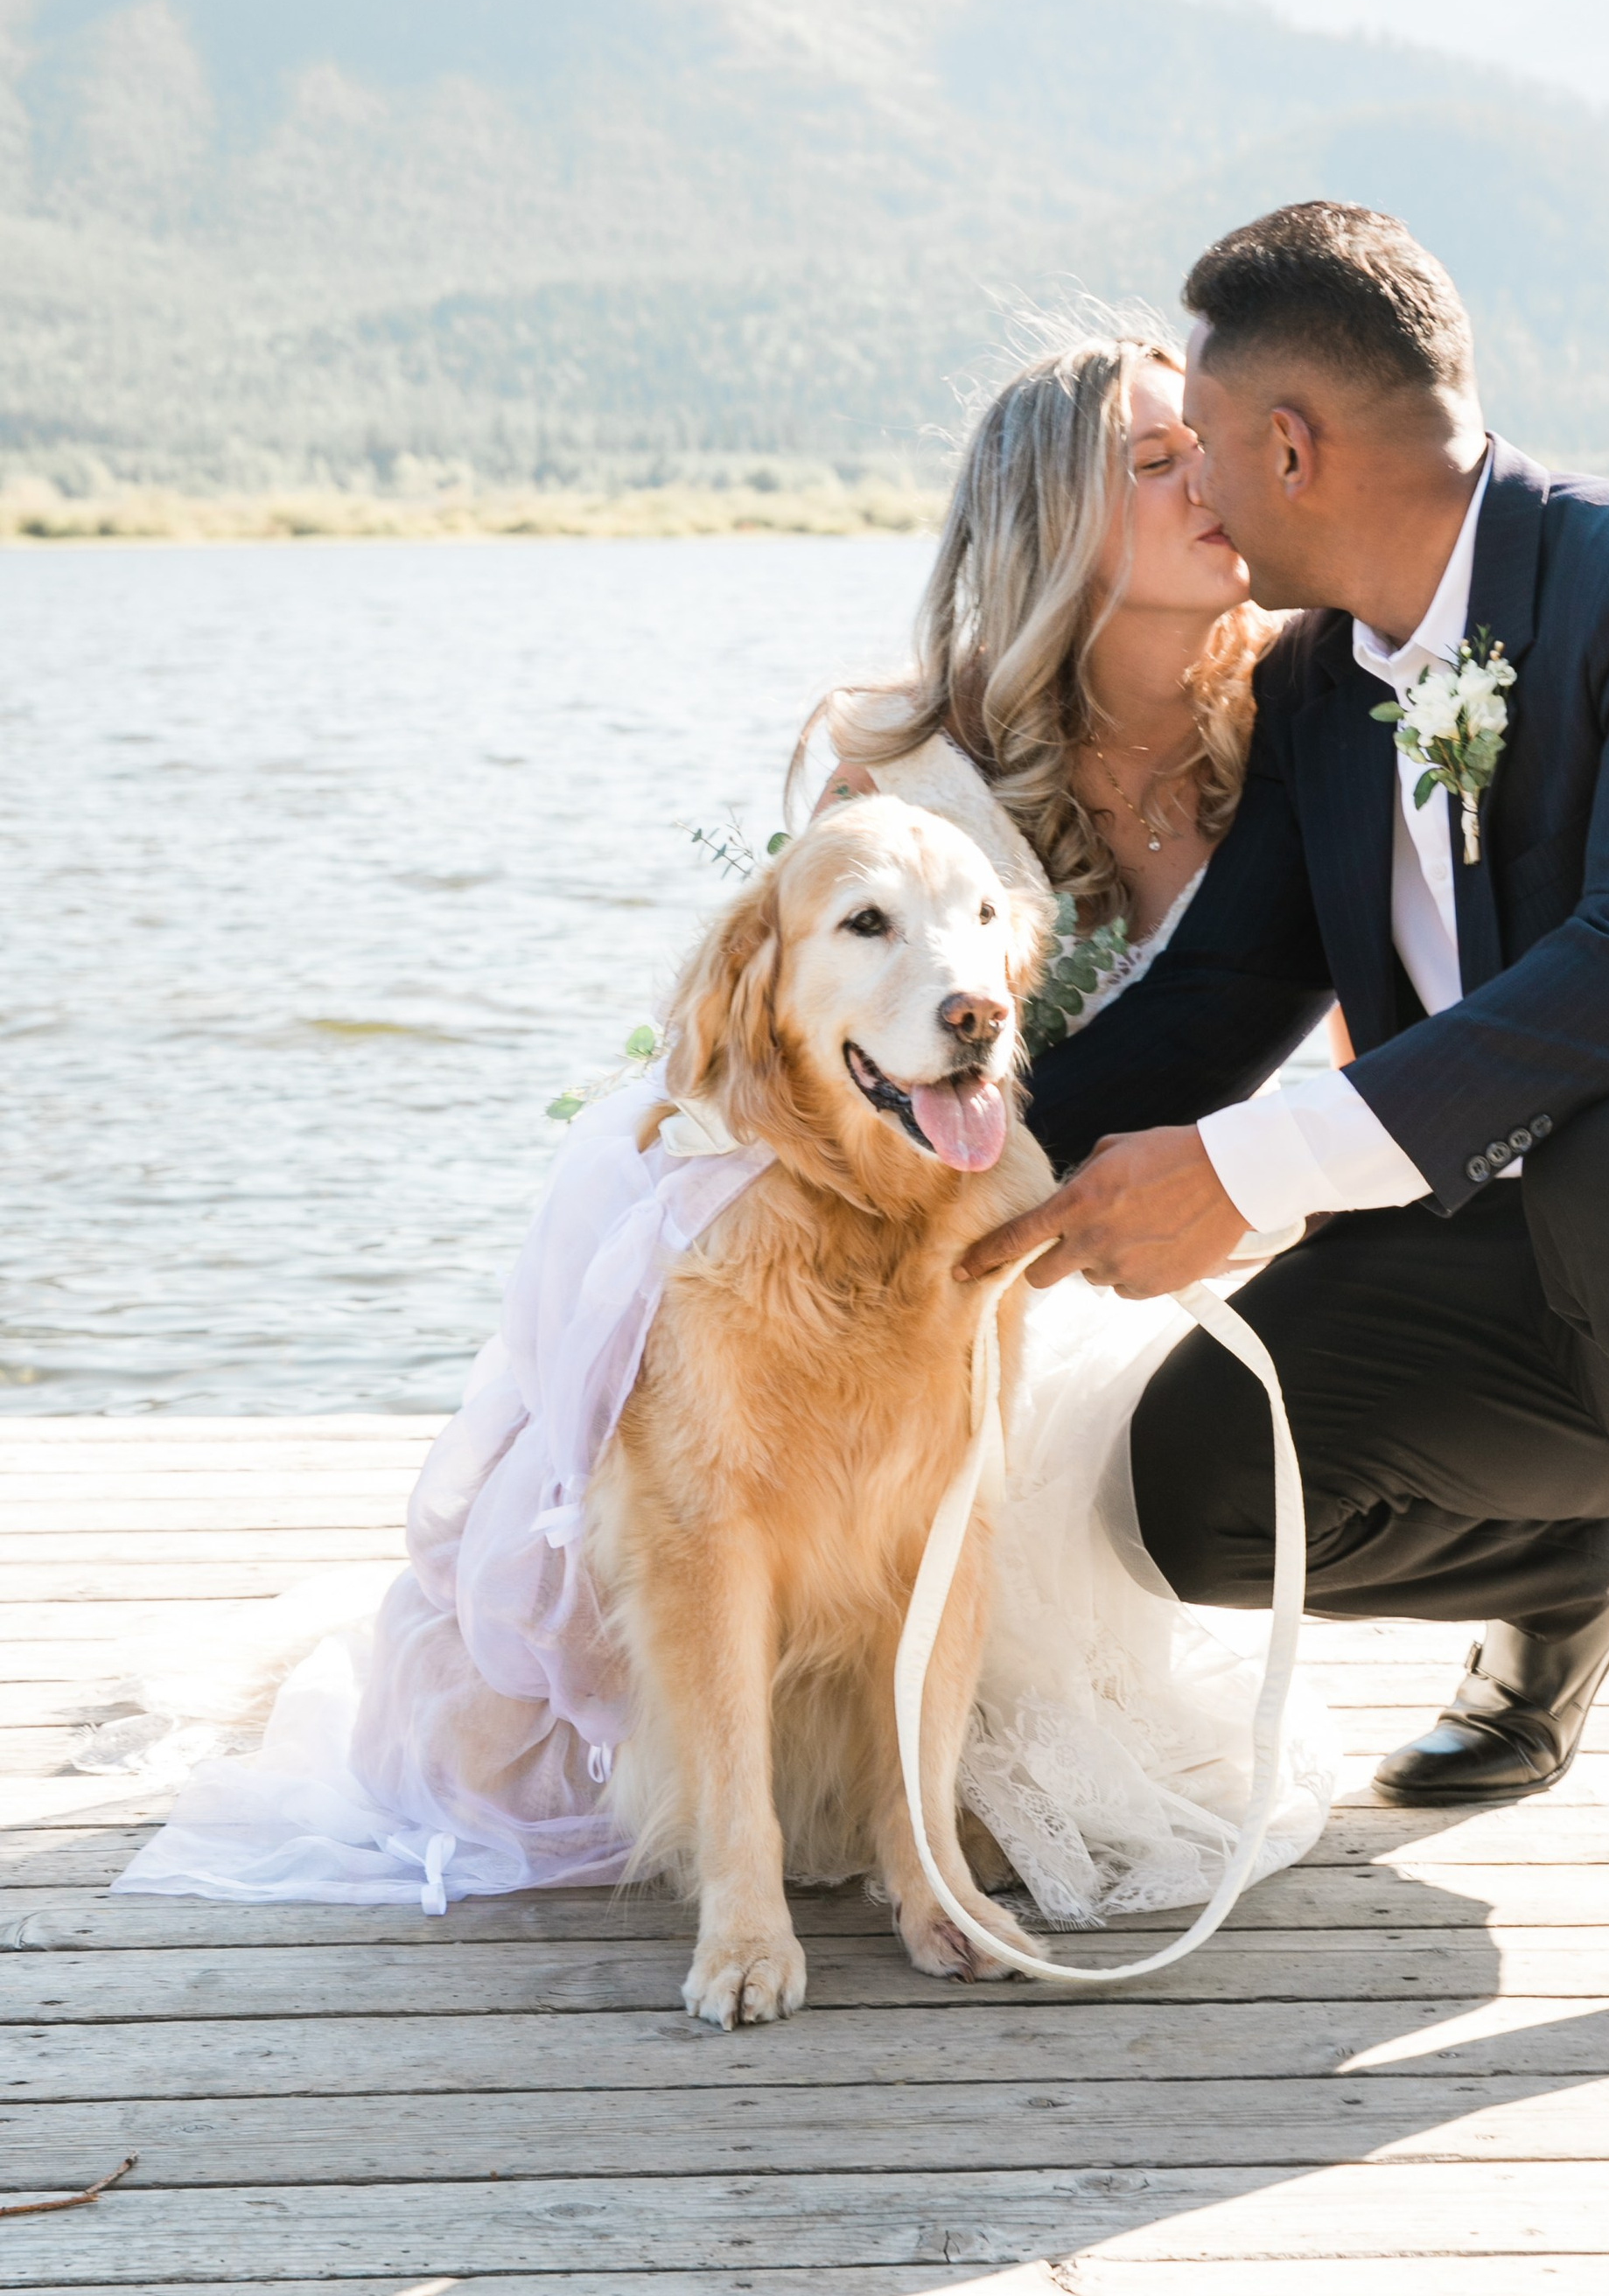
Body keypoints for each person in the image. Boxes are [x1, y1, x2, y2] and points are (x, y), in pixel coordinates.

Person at [113, 325, 1338, 1925]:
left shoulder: (1309, 720)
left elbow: (1370, 1042)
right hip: (932, 1234)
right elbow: (812, 1047)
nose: (1217, 477)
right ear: (1050, 521)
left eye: (1220, 441)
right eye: (1157, 459)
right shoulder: (906, 761)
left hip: (1148, 1243)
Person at [967, 202, 1609, 2060]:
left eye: (1195, 439)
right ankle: (1579, 1576)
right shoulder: (1308, 686)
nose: (1190, 482)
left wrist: (1247, 1174)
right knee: (1183, 1486)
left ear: (1292, 447)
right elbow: (1211, 1014)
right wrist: (922, 1165)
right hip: (1511, 1272)